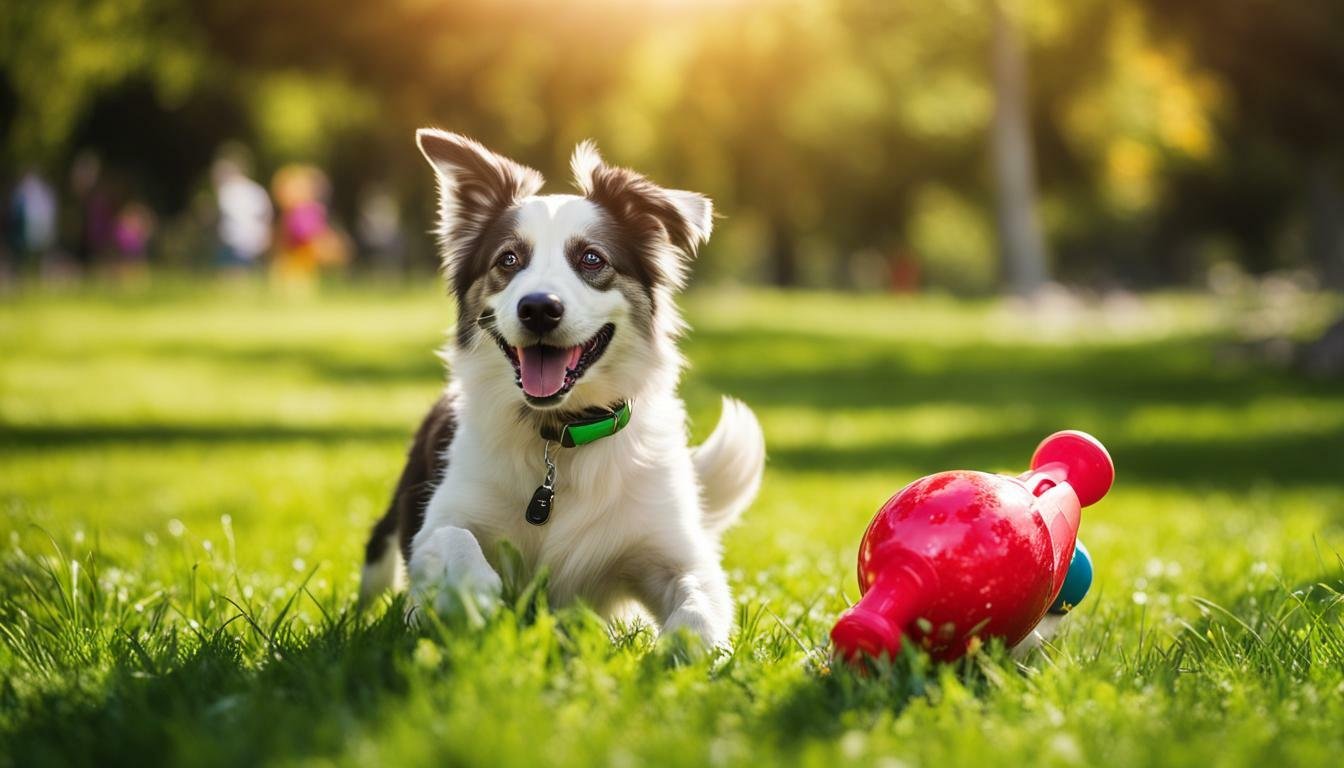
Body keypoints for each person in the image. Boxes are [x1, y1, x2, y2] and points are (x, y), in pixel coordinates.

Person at [212, 154, 273, 273]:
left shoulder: (227, 191)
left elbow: (226, 217)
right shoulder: (257, 189)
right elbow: (266, 216)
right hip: (254, 240)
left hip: (235, 240)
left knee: (233, 273)